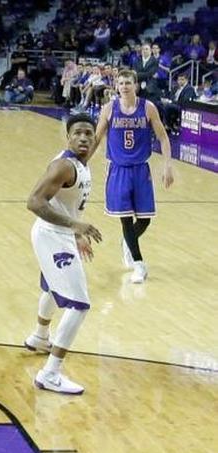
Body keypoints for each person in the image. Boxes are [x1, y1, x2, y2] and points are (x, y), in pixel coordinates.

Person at [23, 114, 103, 395]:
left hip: (60, 234)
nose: (84, 138)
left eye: (88, 134)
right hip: (52, 235)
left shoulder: (81, 161)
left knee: (52, 287)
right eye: (78, 133)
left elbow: (70, 205)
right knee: (79, 305)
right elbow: (34, 201)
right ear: (68, 137)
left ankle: (40, 336)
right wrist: (75, 226)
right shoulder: (64, 166)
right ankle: (51, 373)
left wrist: (77, 232)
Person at [91, 69, 174, 283]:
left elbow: (164, 139)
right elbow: (97, 138)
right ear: (116, 86)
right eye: (121, 83)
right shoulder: (109, 109)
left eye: (128, 82)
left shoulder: (148, 108)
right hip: (118, 169)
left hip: (141, 170)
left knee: (145, 220)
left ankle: (128, 241)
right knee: (126, 219)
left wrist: (167, 166)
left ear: (135, 85)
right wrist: (80, 162)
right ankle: (139, 264)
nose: (124, 86)